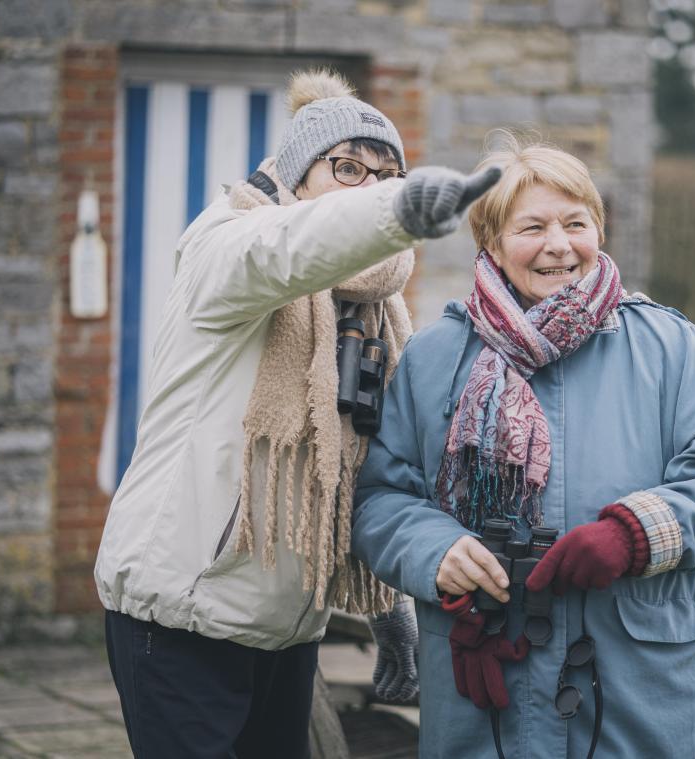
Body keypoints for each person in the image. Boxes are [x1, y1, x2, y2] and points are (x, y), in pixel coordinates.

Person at [93, 68, 500, 758]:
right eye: (346, 167)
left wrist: (388, 606)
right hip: (179, 614)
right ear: (293, 178)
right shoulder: (225, 248)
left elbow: (363, 468)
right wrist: (397, 207)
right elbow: (289, 247)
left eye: (385, 173)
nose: (367, 186)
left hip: (288, 624)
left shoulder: (372, 314)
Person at [351, 136, 695, 759]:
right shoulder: (435, 356)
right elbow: (382, 499)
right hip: (490, 690)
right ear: (491, 242)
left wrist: (634, 535)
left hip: (638, 694)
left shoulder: (668, 346)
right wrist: (435, 549)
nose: (559, 245)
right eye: (532, 227)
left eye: (575, 223)